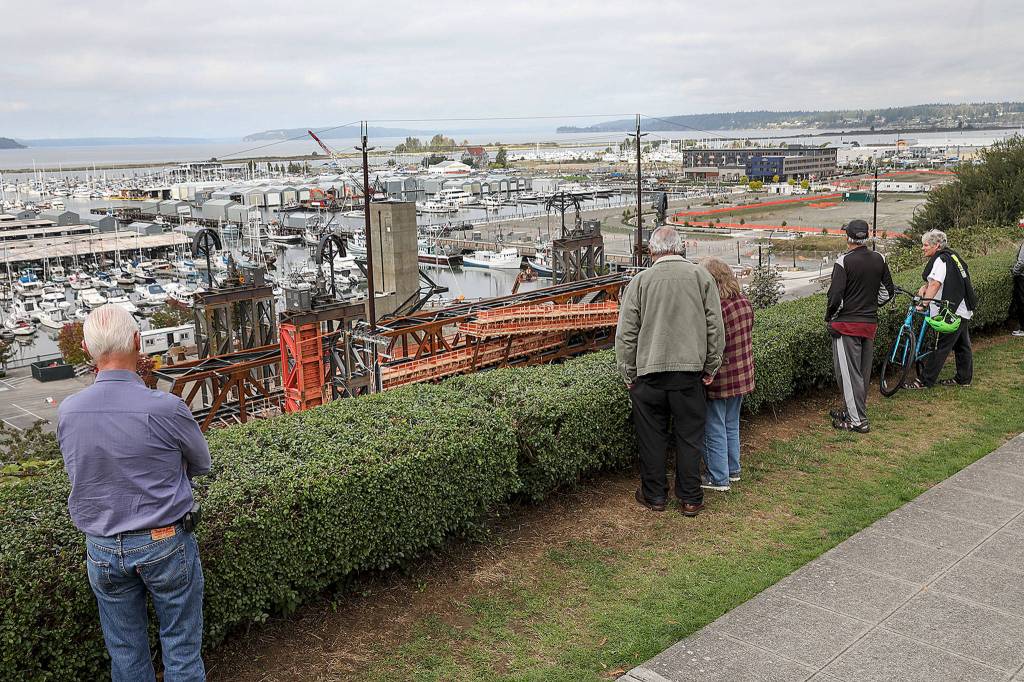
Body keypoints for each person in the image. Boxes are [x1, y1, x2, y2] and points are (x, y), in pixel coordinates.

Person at [57, 304, 210, 682]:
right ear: (138, 343)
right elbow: (201, 463)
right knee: (182, 650)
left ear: (87, 350)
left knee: (125, 655)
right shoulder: (166, 408)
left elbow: (79, 470)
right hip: (165, 541)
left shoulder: (69, 412)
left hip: (103, 548)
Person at [615, 227, 725, 517]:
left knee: (652, 438)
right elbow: (715, 326)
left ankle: (655, 496)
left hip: (649, 373)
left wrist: (628, 373)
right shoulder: (701, 277)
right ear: (681, 248)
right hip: (689, 372)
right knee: (689, 438)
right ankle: (690, 498)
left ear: (652, 251)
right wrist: (711, 365)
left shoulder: (640, 282)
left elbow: (626, 334)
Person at [825, 219, 895, 433]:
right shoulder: (879, 258)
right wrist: (870, 307)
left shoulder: (843, 262)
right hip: (869, 323)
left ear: (848, 238)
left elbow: (836, 296)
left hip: (847, 325)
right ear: (866, 236)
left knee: (847, 374)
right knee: (862, 374)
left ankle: (857, 421)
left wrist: (830, 318)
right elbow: (888, 292)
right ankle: (851, 410)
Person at [700, 258, 755, 492]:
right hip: (742, 374)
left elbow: (712, 344)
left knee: (714, 426)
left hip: (721, 376)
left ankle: (718, 477)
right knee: (731, 424)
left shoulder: (717, 309)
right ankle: (733, 469)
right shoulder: (743, 301)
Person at [908, 229, 976, 389]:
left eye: (925, 245)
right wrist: (925, 286)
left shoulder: (941, 260)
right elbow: (941, 281)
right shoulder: (952, 256)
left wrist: (923, 304)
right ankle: (963, 379)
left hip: (952, 312)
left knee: (940, 346)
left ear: (936, 245)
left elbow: (935, 284)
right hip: (963, 308)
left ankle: (924, 381)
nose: (923, 248)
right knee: (962, 345)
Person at [1011, 220, 1024, 337]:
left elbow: (1021, 262)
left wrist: (1014, 271)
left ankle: (1023, 328)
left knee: (1022, 302)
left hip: (1022, 277)